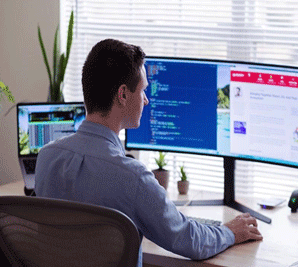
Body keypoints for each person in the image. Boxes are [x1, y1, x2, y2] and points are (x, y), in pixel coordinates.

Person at [35, 39, 263, 266]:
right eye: (143, 89)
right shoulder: (131, 177)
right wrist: (230, 232)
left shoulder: (47, 157)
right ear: (122, 95)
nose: (146, 99)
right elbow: (188, 239)